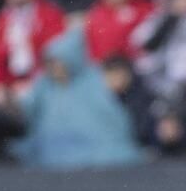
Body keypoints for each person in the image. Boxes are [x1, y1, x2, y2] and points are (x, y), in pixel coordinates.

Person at [12, 27, 142, 169]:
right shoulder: (44, 84)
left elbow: (109, 114)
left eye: (57, 63)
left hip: (94, 145)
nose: (54, 68)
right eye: (50, 63)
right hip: (50, 144)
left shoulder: (93, 79)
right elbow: (29, 108)